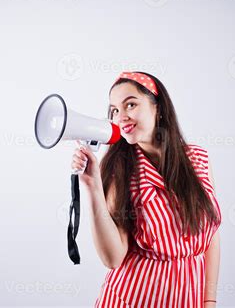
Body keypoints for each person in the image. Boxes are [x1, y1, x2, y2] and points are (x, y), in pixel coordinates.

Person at [71, 71, 222, 308]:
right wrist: (93, 188)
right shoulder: (119, 171)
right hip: (131, 300)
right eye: (115, 110)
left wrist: (209, 300)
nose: (121, 117)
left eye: (130, 104)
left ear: (158, 107)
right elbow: (113, 257)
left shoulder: (198, 159)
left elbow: (210, 235)